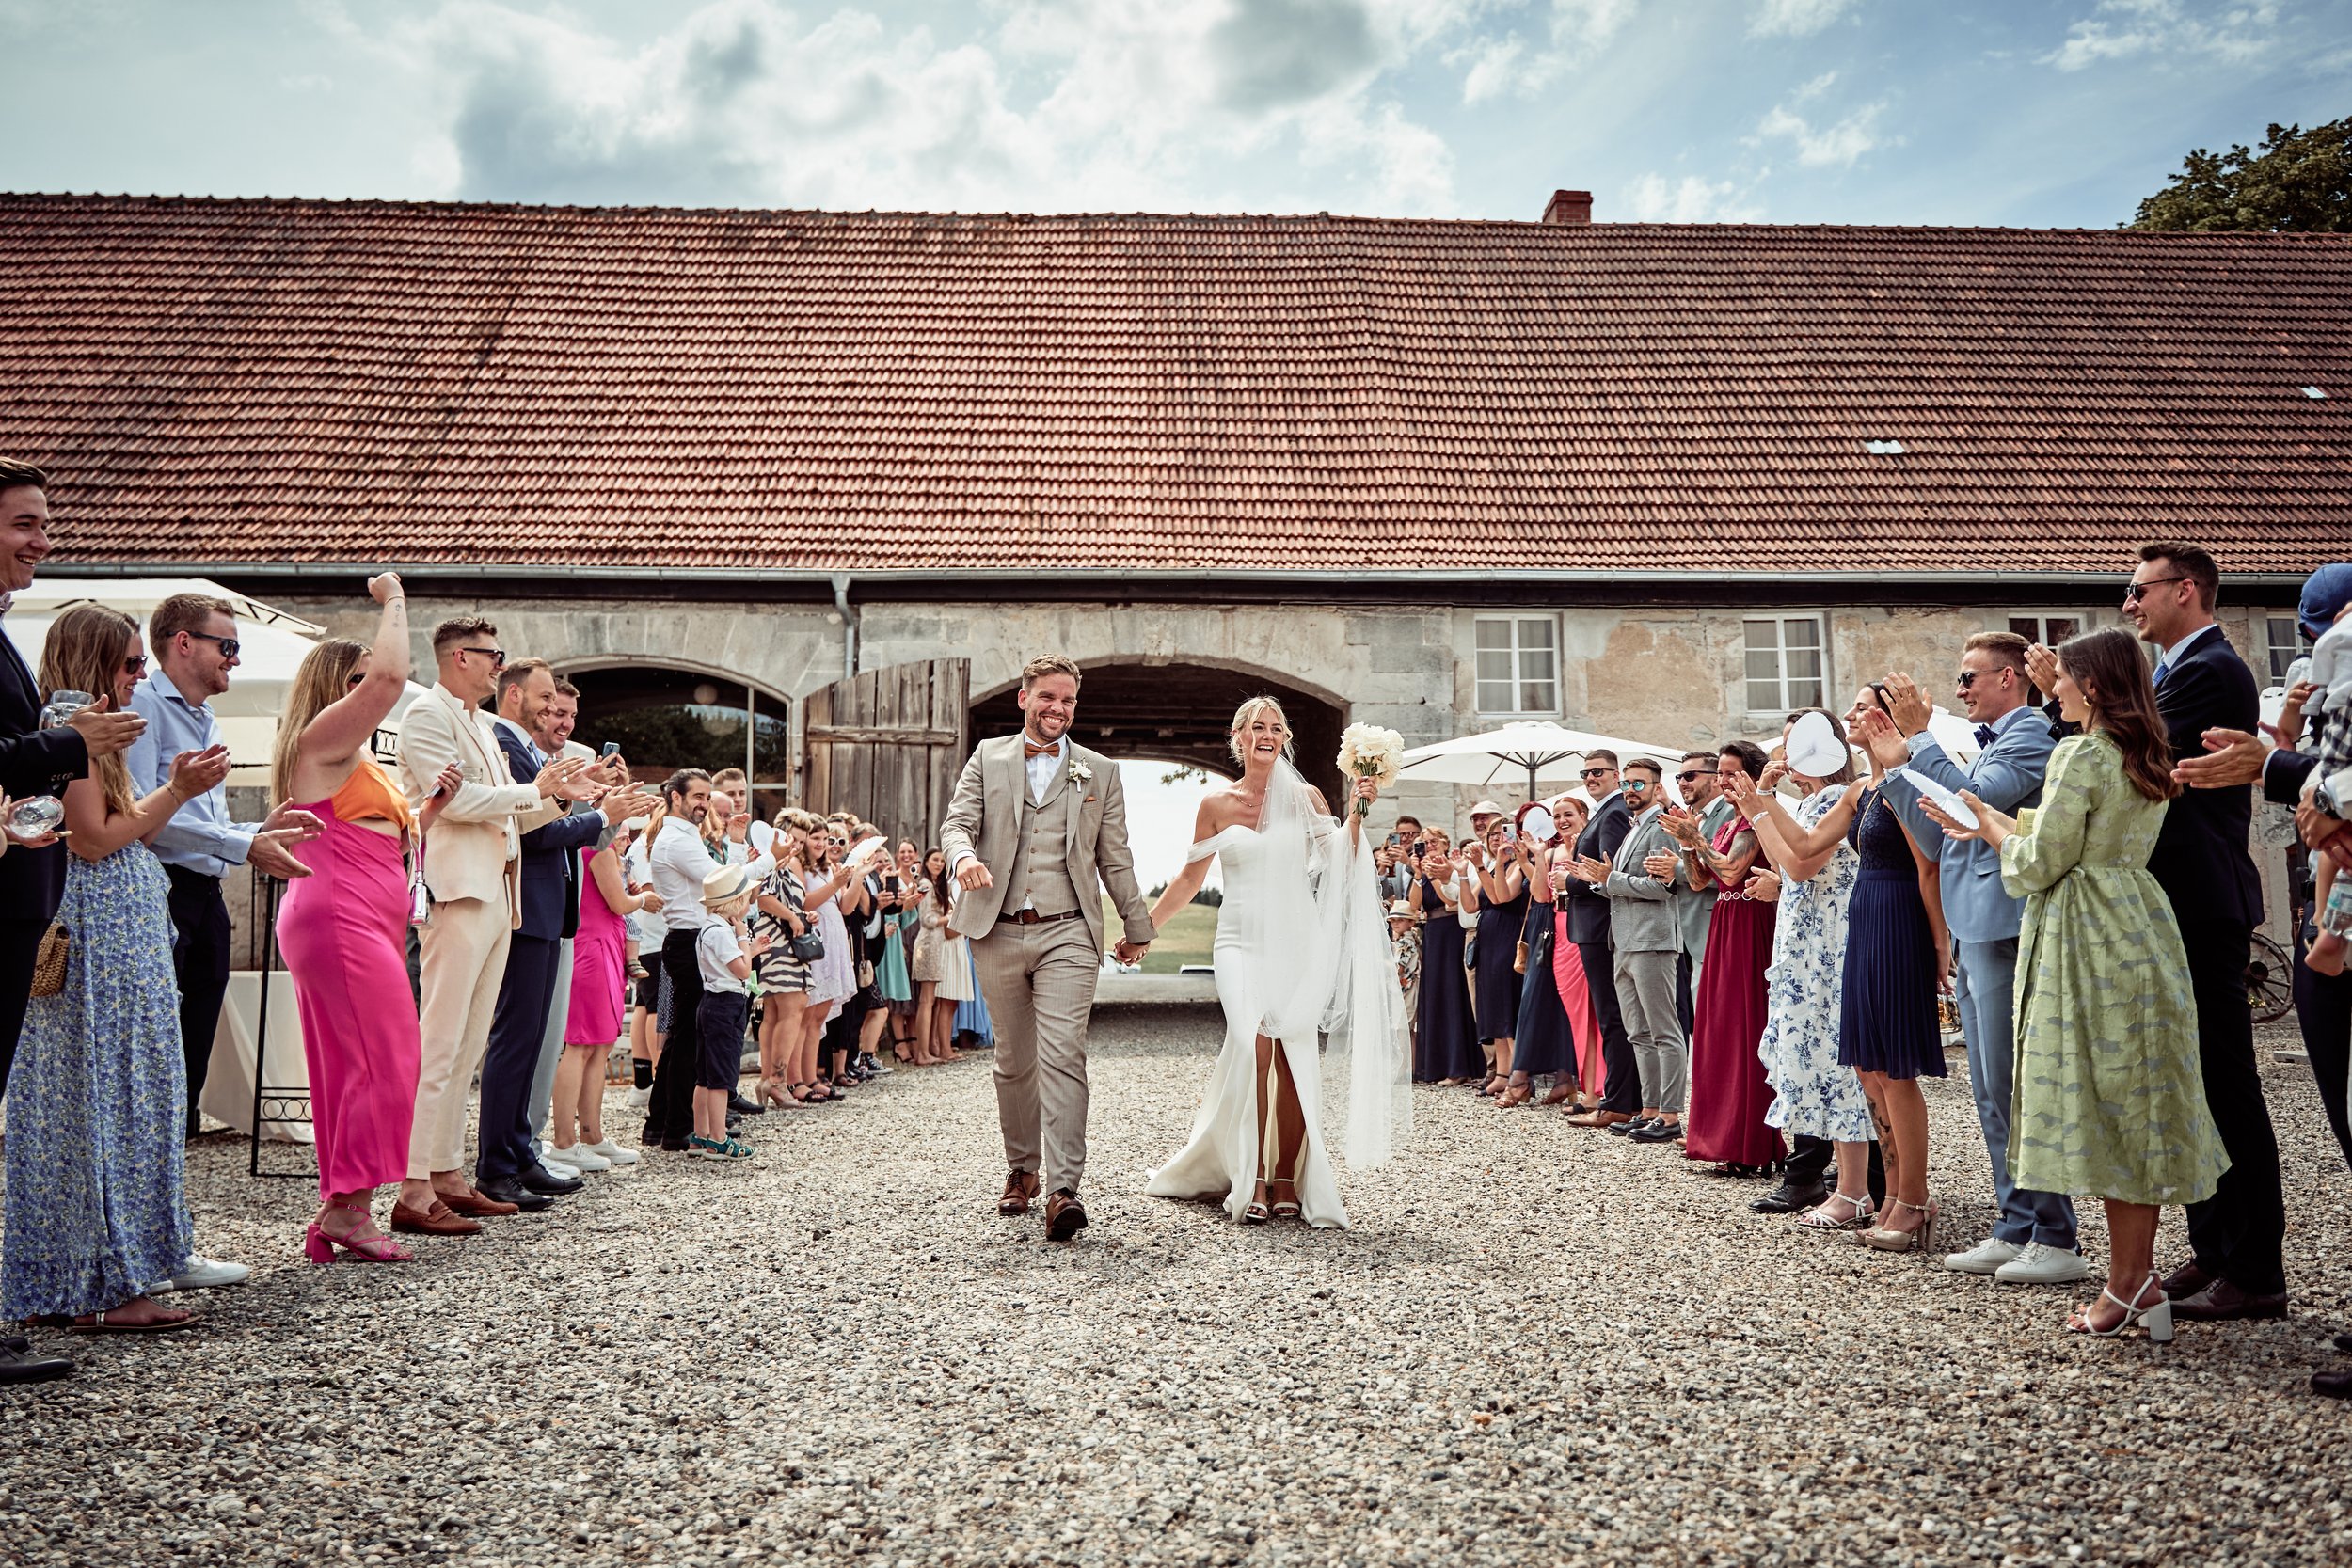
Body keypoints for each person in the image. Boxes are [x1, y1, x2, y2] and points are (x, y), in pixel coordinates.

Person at [1920, 628, 2227, 1342]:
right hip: (2140, 925)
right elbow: (2081, 832)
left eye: (2063, 677)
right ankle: (2136, 1278)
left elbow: (2038, 864)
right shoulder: (2138, 751)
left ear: (2090, 686)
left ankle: (2126, 1283)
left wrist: (1995, 834)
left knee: (2101, 1103)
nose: (2052, 684)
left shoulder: (2079, 751)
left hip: (2084, 935)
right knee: (2136, 1104)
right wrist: (1991, 820)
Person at [4, 605, 227, 1333]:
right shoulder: (69, 720)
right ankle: (112, 1280)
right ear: (94, 660)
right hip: (100, 944)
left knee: (104, 1101)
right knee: (109, 1102)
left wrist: (170, 790)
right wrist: (180, 789)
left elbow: (120, 829)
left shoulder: (79, 726)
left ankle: (71, 1277)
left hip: (119, 934)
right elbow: (96, 838)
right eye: (130, 663)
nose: (140, 676)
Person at [1143, 697, 1405, 1226]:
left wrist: (1358, 808)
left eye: (1276, 728)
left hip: (1295, 939)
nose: (1266, 735)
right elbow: (1191, 878)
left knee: (1292, 1057)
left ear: (1285, 738)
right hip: (1238, 941)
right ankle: (1252, 1176)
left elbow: (1339, 856)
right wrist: (1143, 928)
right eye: (1256, 727)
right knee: (1253, 1045)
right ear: (1237, 737)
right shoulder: (1215, 804)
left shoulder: (1306, 797)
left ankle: (1286, 1174)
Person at [1872, 632, 2085, 1284]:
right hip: (1975, 926)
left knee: (2014, 1085)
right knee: (1991, 1088)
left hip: (2002, 927)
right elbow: (1939, 826)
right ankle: (2014, 1221)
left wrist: (1920, 739)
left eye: (1969, 678)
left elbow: (1972, 801)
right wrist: (1894, 766)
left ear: (2010, 678)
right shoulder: (1988, 740)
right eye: (1959, 680)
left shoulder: (2027, 736)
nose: (1960, 690)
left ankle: (2055, 1233)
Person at [2110, 542, 2286, 1325]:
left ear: (2186, 590)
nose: (2128, 604)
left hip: (2203, 898)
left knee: (2225, 1082)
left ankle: (2255, 1266)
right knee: (2190, 1085)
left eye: (2139, 589)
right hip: (2176, 898)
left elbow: (2142, 757)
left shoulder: (2211, 668)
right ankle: (2214, 1248)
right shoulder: (2174, 669)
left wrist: (2075, 698)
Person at [273, 576, 465, 1253]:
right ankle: (348, 1208)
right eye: (353, 680)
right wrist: (395, 598)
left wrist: (431, 808)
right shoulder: (322, 738)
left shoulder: (352, 756)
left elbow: (388, 830)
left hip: (360, 913)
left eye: (364, 680)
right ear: (334, 687)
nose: (369, 692)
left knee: (363, 1061)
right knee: (386, 1057)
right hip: (338, 915)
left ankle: (344, 1203)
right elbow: (389, 677)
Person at [0, 460, 138, 1385]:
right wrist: (67, 746)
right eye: (24, 523)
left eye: (43, 524)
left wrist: (36, 803)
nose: (42, 541)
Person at [941, 654, 1156, 1243]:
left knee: (1064, 1054)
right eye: (1047, 698)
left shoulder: (1099, 772)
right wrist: (963, 859)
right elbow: (957, 824)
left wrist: (1137, 926)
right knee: (1013, 1060)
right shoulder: (989, 757)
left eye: (1067, 700)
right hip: (998, 929)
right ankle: (1022, 1170)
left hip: (1068, 929)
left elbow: (1115, 857)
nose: (1057, 708)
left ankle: (1064, 1189)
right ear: (1023, 699)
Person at [394, 617, 579, 1226]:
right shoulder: (427, 716)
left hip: (499, 894)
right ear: (458, 657)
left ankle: (448, 1170)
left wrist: (555, 795)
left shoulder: (482, 723)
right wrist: (532, 793)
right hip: (456, 891)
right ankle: (414, 1183)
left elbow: (506, 817)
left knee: (470, 1043)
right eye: (490, 655)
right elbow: (459, 803)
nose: (499, 665)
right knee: (440, 1042)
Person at [128, 592, 322, 1138]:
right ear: (184, 643)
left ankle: (174, 1149)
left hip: (204, 892)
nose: (236, 659)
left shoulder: (205, 714)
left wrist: (257, 831)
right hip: (162, 890)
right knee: (160, 1037)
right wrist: (243, 845)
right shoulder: (142, 705)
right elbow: (145, 815)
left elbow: (199, 817)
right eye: (228, 645)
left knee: (196, 1033)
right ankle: (153, 1146)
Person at [481, 665, 647, 1205]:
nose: (557, 712)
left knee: (533, 1041)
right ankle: (499, 1164)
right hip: (527, 908)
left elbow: (545, 819)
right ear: (516, 696)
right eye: (548, 699)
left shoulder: (531, 753)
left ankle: (521, 1152)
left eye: (562, 704)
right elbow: (536, 833)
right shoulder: (505, 744)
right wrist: (601, 814)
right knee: (516, 1039)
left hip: (549, 911)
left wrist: (587, 798)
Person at [1664, 742, 1781, 1174]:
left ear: (1751, 776)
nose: (1723, 782)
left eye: (1732, 774)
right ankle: (1721, 1138)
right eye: (1722, 775)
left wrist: (1696, 838)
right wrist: (1689, 845)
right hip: (1723, 923)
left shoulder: (1753, 820)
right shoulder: (1727, 823)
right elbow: (1698, 881)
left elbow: (1733, 872)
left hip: (1751, 920)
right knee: (1716, 1030)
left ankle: (1751, 1143)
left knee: (1743, 1031)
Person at [644, 769, 777, 1149]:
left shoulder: (687, 837)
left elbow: (725, 881)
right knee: (688, 1039)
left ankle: (670, 1124)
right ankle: (677, 1127)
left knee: (687, 1037)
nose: (704, 804)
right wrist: (771, 858)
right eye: (698, 796)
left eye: (707, 797)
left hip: (694, 939)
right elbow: (723, 884)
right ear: (675, 798)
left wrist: (736, 844)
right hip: (688, 941)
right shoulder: (676, 840)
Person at [1570, 758, 1684, 1143]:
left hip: (1652, 940)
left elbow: (1664, 887)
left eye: (1640, 784)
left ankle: (1669, 1115)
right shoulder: (1634, 827)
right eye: (1628, 784)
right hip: (1622, 940)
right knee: (1637, 1032)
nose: (1632, 791)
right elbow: (1619, 884)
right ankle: (1648, 1109)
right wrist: (1599, 882)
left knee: (1663, 1030)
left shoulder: (1662, 826)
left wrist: (1611, 879)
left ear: (1655, 786)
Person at [553, 827, 660, 1169]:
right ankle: (565, 1141)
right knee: (582, 1044)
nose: (625, 836)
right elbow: (619, 903)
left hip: (604, 945)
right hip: (593, 947)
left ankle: (592, 1135)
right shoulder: (600, 849)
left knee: (599, 1047)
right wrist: (644, 899)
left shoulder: (604, 851)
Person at [1559, 753, 1637, 1129]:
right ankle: (1624, 1097)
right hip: (1590, 925)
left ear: (1616, 775)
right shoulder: (1604, 811)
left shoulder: (1614, 813)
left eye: (1598, 772)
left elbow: (1608, 872)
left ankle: (1619, 1101)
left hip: (1599, 925)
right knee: (1614, 1014)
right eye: (1585, 773)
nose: (1590, 778)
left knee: (1613, 1016)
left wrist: (1569, 883)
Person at [1499, 802, 1574, 1107]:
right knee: (1538, 1002)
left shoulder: (1560, 849)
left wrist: (1534, 857)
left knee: (1550, 1004)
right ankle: (1552, 1077)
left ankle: (1532, 1079)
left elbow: (1544, 894)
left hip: (1555, 925)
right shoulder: (1540, 850)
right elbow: (1533, 892)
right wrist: (1524, 858)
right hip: (1541, 925)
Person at [690, 863, 764, 1162]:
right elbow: (742, 970)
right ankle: (718, 1139)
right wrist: (745, 939)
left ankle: (701, 1133)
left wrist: (750, 947)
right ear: (735, 903)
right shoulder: (723, 933)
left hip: (710, 1002)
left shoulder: (709, 930)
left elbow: (730, 963)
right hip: (726, 1005)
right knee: (721, 1078)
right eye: (746, 898)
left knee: (705, 1076)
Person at [1542, 796, 1609, 1112]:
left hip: (1583, 927)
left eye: (1567, 814)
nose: (1561, 821)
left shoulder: (1587, 847)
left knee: (1593, 1014)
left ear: (1583, 815)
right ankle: (1587, 1085)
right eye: (1556, 816)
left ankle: (1599, 1089)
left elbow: (1589, 883)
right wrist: (1540, 858)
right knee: (1576, 1014)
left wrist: (1570, 861)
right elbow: (1541, 894)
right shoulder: (1553, 850)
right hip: (1560, 931)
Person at [1460, 816, 1526, 1095]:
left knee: (1506, 1003)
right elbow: (1471, 904)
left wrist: (1488, 865)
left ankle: (1518, 1075)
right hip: (1488, 939)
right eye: (1493, 835)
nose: (1498, 839)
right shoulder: (1489, 866)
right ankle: (1501, 1071)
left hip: (1507, 936)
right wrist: (1463, 872)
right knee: (1493, 1006)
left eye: (1503, 833)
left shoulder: (1517, 867)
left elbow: (1501, 897)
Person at [1407, 829, 1480, 1085]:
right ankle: (1434, 1065)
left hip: (1452, 930)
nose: (1429, 846)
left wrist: (1434, 875)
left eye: (1434, 841)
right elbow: (1414, 905)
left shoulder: (1450, 867)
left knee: (1452, 995)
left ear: (1446, 843)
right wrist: (1418, 875)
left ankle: (1457, 1065)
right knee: (1435, 996)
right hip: (1433, 935)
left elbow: (1448, 901)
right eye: (1425, 843)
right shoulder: (1426, 870)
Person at [1670, 751, 1734, 1030]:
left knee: (1718, 1018)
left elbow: (1726, 873)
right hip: (1690, 932)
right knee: (1702, 1019)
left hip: (1717, 927)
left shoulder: (1729, 813)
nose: (1683, 783)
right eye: (1680, 777)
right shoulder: (1696, 817)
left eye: (1690, 776)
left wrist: (1674, 868)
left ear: (1717, 780)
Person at [910, 847, 960, 1066]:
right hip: (928, 944)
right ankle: (922, 1053)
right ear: (926, 862)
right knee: (926, 1000)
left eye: (942, 861)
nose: (939, 864)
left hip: (938, 944)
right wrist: (949, 917)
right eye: (935, 860)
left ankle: (929, 1049)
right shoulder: (925, 885)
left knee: (931, 1001)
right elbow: (927, 919)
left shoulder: (936, 885)